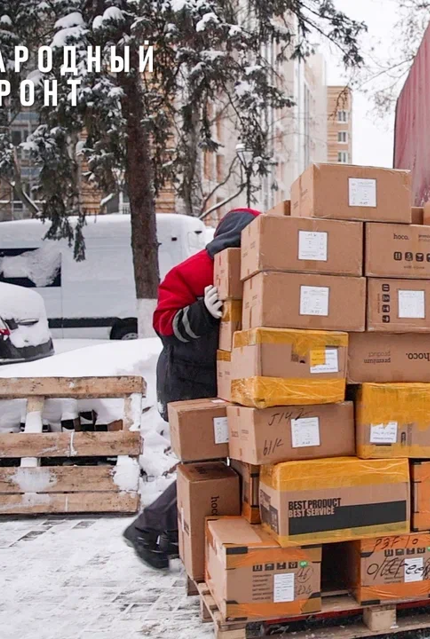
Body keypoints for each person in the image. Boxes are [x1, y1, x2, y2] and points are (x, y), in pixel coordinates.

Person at [122, 207, 260, 570]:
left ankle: (168, 535)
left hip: (223, 384)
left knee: (217, 464)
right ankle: (147, 528)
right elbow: (164, 324)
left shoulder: (258, 270)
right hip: (187, 387)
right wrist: (201, 312)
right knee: (204, 467)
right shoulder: (192, 271)